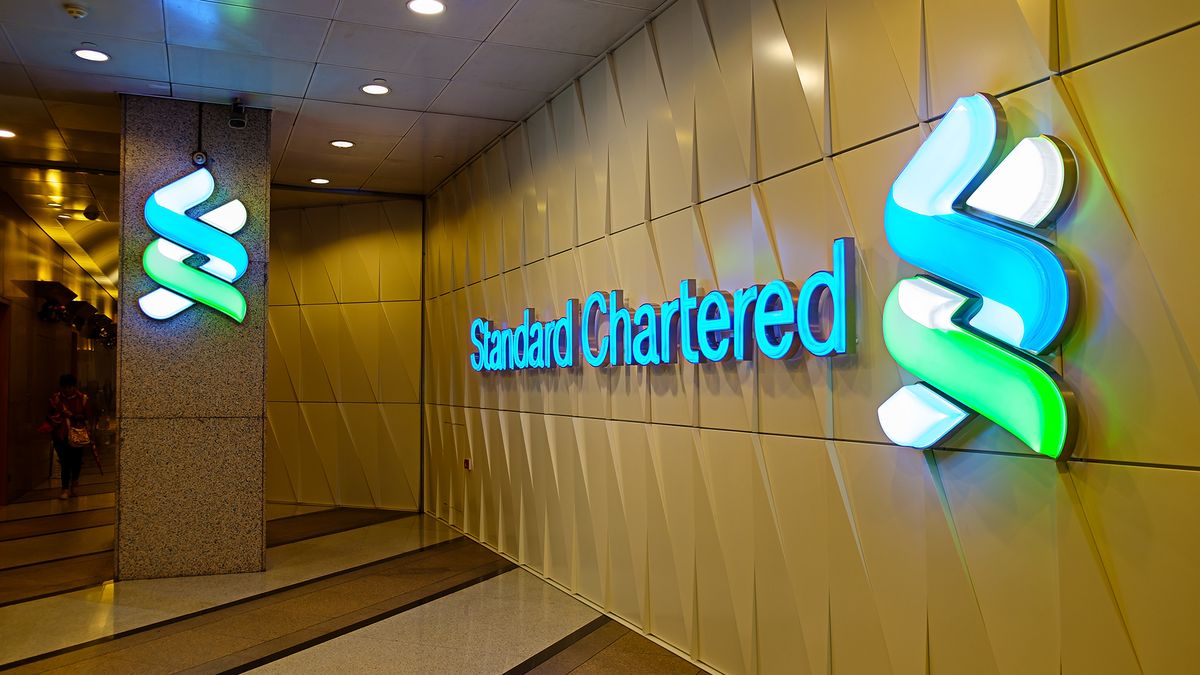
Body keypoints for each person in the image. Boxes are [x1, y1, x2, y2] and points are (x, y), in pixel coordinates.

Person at [46, 374, 93, 499]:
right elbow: (49, 415)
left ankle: (74, 484)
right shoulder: (56, 399)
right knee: (65, 462)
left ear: (74, 386)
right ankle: (65, 489)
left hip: (77, 435)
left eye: (70, 387)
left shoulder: (82, 398)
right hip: (61, 435)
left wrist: (73, 415)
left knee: (76, 461)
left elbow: (88, 415)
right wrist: (60, 415)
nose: (67, 390)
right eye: (65, 387)